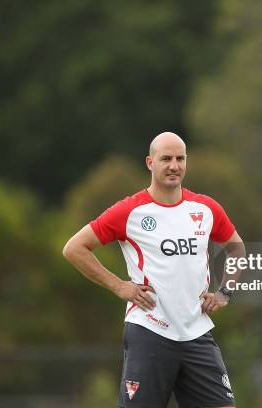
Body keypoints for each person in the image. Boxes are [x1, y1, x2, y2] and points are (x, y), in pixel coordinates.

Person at [63, 132, 245, 407]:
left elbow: (237, 248)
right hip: (150, 333)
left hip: (197, 333)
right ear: (150, 162)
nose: (174, 166)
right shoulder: (130, 211)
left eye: (180, 159)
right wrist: (119, 286)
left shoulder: (205, 208)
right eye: (166, 159)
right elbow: (74, 248)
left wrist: (224, 293)